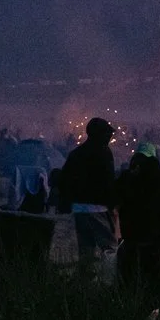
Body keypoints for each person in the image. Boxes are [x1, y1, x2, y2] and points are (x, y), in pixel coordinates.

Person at [114, 140, 160, 301]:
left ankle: (130, 302)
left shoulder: (127, 176)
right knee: (156, 272)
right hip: (157, 234)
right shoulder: (159, 177)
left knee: (131, 271)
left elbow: (115, 198)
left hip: (132, 233)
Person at [61, 118, 120, 275]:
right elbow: (108, 181)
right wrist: (112, 203)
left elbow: (65, 179)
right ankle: (110, 281)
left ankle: (84, 281)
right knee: (110, 248)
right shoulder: (104, 153)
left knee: (86, 248)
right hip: (97, 208)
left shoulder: (76, 154)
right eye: (107, 134)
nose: (110, 137)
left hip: (79, 208)